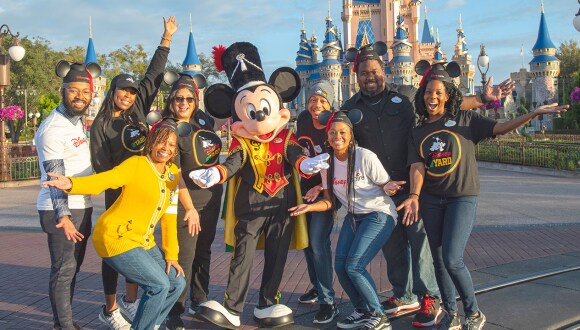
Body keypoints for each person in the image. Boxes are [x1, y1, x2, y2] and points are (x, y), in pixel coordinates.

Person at [340, 43, 515, 327]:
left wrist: (483, 97)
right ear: (355, 75)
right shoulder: (350, 108)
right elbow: (338, 136)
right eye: (363, 73)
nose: (369, 77)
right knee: (392, 244)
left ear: (383, 70)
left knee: (419, 240)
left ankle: (429, 296)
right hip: (382, 189)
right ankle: (403, 294)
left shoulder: (407, 94)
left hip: (415, 186)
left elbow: (449, 105)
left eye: (373, 71)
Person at [401, 62, 568, 330]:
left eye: (438, 93)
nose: (432, 97)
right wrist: (413, 195)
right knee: (439, 261)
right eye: (428, 93)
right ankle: (451, 313)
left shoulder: (466, 120)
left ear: (448, 95)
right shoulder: (418, 130)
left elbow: (501, 127)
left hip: (461, 197)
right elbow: (418, 166)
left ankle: (473, 312)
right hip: (432, 200)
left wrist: (533, 114)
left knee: (453, 259)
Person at [43, 121, 189, 330]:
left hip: (142, 241)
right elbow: (106, 180)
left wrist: (171, 255)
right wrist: (72, 184)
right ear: (151, 142)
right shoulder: (136, 165)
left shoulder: (172, 173)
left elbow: (168, 216)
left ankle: (151, 325)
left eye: (172, 145)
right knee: (158, 285)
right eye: (161, 141)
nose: (166, 148)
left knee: (176, 283)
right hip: (114, 236)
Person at [89, 16, 178, 329]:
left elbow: (153, 76)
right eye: (122, 91)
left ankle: (132, 302)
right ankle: (111, 309)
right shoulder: (102, 126)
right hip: (119, 189)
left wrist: (166, 38)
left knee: (142, 246)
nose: (127, 96)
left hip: (146, 187)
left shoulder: (137, 111)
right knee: (116, 253)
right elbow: (100, 164)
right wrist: (126, 173)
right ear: (113, 91)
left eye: (130, 91)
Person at [290, 110, 405, 330]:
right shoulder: (327, 163)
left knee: (354, 266)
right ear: (327, 136)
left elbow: (385, 184)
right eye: (333, 132)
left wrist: (389, 187)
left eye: (342, 132)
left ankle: (378, 314)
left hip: (378, 214)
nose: (337, 137)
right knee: (341, 267)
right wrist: (309, 206)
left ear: (350, 135)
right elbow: (329, 201)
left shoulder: (365, 157)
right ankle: (362, 310)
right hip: (354, 217)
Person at [35, 60, 100, 330]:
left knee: (71, 270)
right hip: (61, 210)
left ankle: (62, 323)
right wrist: (65, 217)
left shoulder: (75, 123)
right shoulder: (53, 128)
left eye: (85, 92)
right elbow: (55, 179)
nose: (80, 97)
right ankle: (63, 326)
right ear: (63, 90)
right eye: (74, 90)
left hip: (81, 204)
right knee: (63, 272)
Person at [161, 73, 224, 330]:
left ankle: (199, 300)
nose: (183, 103)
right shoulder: (167, 128)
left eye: (188, 98)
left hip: (210, 199)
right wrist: (189, 208)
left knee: (203, 252)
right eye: (178, 98)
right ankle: (173, 312)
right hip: (184, 203)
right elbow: (173, 174)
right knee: (182, 257)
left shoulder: (203, 121)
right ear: (171, 101)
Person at [294, 80, 339, 324]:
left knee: (319, 242)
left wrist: (320, 187)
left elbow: (341, 161)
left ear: (330, 104)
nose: (316, 105)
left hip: (327, 191)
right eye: (313, 100)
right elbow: (294, 145)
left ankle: (327, 301)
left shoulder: (334, 124)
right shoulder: (302, 120)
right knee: (307, 242)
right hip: (305, 189)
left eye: (322, 100)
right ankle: (317, 286)